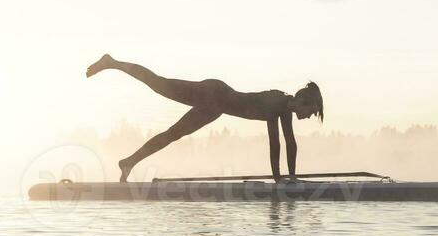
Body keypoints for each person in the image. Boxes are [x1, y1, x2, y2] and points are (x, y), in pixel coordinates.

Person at [86, 54, 324, 183]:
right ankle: (112, 63)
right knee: (158, 83)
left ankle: (128, 163)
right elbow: (276, 146)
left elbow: (290, 143)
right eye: (311, 111)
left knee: (172, 135)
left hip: (215, 107)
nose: (308, 116)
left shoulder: (285, 108)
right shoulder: (278, 104)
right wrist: (281, 181)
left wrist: (289, 178)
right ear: (302, 100)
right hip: (213, 94)